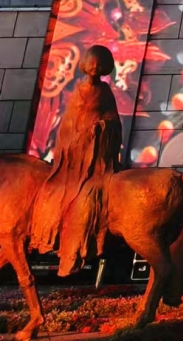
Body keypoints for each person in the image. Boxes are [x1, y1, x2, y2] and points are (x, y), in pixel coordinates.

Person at [30, 45, 123, 277]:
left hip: (95, 155)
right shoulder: (77, 90)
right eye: (92, 63)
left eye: (99, 65)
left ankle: (75, 251)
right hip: (72, 154)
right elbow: (68, 124)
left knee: (87, 198)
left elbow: (113, 120)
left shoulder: (105, 92)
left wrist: (101, 127)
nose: (94, 68)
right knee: (53, 191)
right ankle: (46, 237)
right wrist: (74, 140)